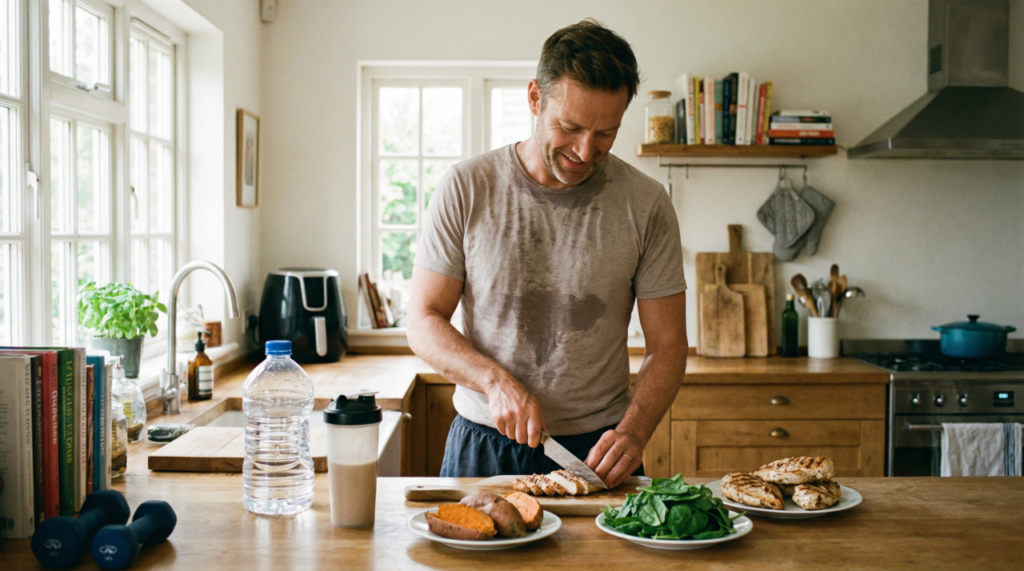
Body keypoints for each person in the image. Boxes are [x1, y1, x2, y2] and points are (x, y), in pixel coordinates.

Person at [406, 19, 687, 489]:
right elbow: (423, 319)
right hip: (484, 441)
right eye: (571, 127)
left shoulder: (647, 204)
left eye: (606, 133)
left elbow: (668, 345)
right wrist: (494, 381)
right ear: (536, 99)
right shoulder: (467, 187)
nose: (585, 150)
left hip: (599, 450)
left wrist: (635, 432)